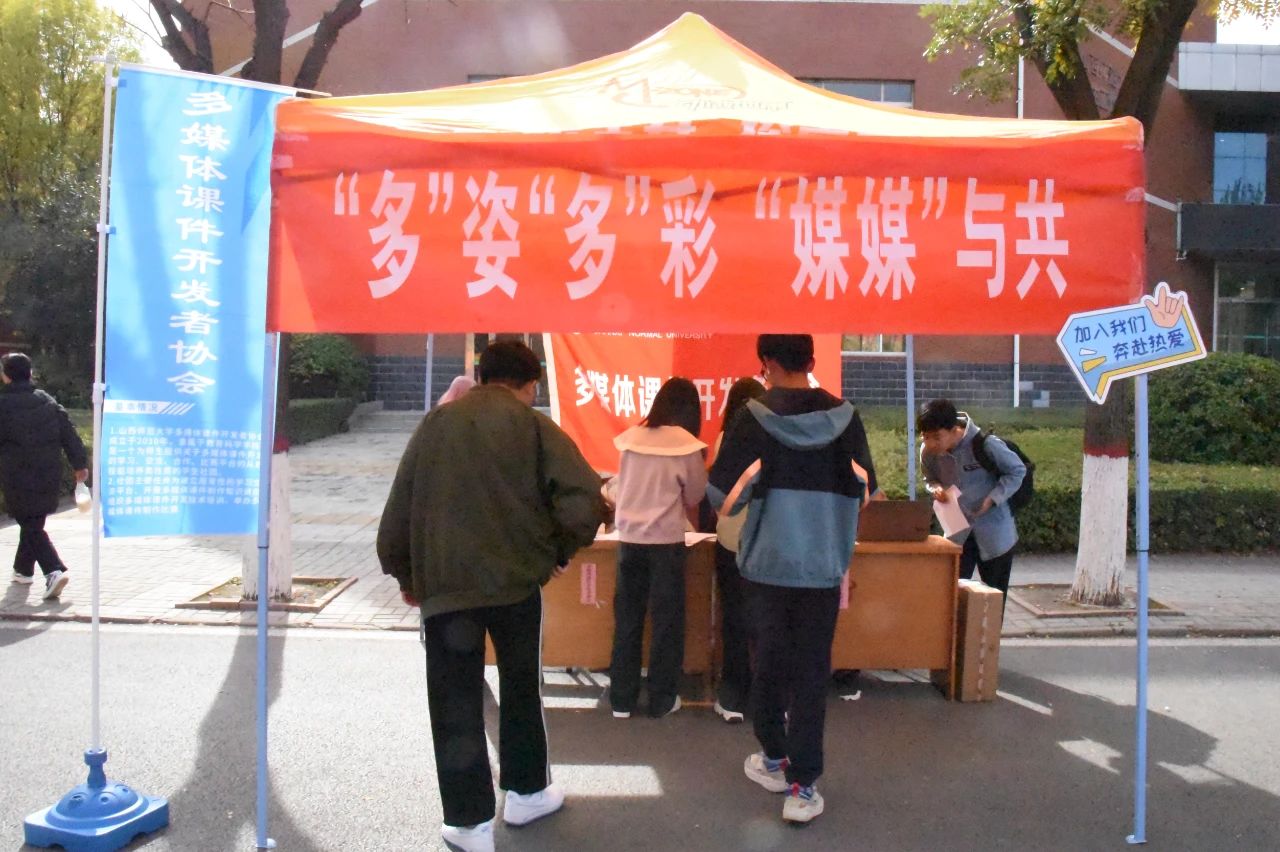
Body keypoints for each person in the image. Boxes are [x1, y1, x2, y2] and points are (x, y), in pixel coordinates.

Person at [377, 340, 604, 852]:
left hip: (446, 588)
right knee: (522, 688)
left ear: (480, 376)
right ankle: (527, 793)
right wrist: (557, 552)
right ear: (531, 384)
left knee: (453, 700)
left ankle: (469, 825)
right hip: (516, 586)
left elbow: (398, 511)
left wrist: (408, 577)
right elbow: (585, 499)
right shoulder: (534, 427)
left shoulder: (436, 425)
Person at [708, 335, 878, 825]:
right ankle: (804, 788)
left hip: (767, 564)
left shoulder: (753, 417)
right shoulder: (846, 417)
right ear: (812, 361)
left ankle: (773, 758)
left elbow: (722, 498)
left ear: (766, 363)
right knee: (810, 672)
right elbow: (867, 490)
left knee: (767, 662)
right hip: (822, 565)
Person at [607, 377, 707, 719]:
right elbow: (695, 495)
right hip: (666, 543)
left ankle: (621, 699)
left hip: (629, 540)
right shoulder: (687, 445)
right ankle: (662, 699)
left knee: (627, 620)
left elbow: (621, 487)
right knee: (666, 623)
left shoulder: (632, 439)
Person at [917, 398, 1025, 605]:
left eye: (937, 437)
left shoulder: (985, 444)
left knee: (994, 601)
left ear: (954, 430)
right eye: (925, 436)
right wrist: (936, 488)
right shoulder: (928, 452)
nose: (930, 443)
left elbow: (1017, 471)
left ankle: (991, 629)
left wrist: (992, 499)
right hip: (957, 532)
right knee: (950, 597)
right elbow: (929, 479)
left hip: (995, 533)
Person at [1, 353, 88, 600]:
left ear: (6, 375)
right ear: (30, 373)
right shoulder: (47, 401)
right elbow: (68, 433)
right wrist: (79, 464)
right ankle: (23, 570)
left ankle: (53, 570)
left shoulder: (3, 405)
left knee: (29, 523)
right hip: (49, 473)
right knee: (33, 522)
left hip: (17, 475)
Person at [707, 376, 765, 724]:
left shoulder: (723, 439)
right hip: (766, 541)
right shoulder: (776, 439)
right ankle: (768, 698)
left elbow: (716, 494)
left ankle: (732, 695)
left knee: (734, 619)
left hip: (730, 540)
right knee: (767, 621)